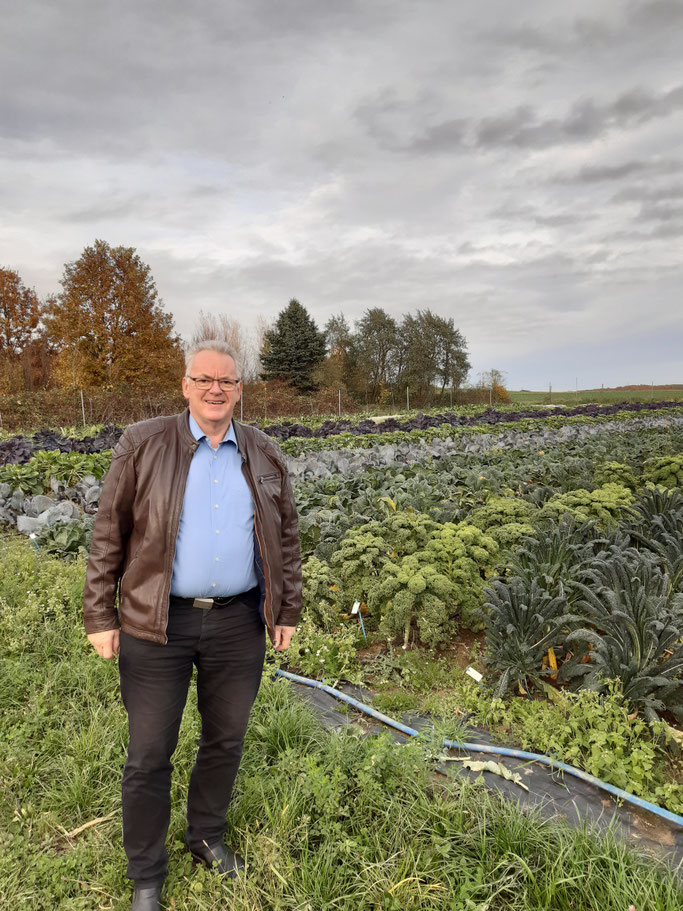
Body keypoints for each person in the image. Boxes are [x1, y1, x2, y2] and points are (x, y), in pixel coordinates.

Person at [83, 340, 302, 911]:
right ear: (185, 385)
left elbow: (286, 538)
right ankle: (147, 874)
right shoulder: (144, 444)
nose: (215, 390)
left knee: (225, 739)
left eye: (226, 381)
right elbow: (109, 532)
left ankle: (206, 835)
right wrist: (100, 615)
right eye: (203, 379)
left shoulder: (263, 452)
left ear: (239, 390)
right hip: (157, 624)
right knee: (150, 751)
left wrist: (287, 611)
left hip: (237, 625)